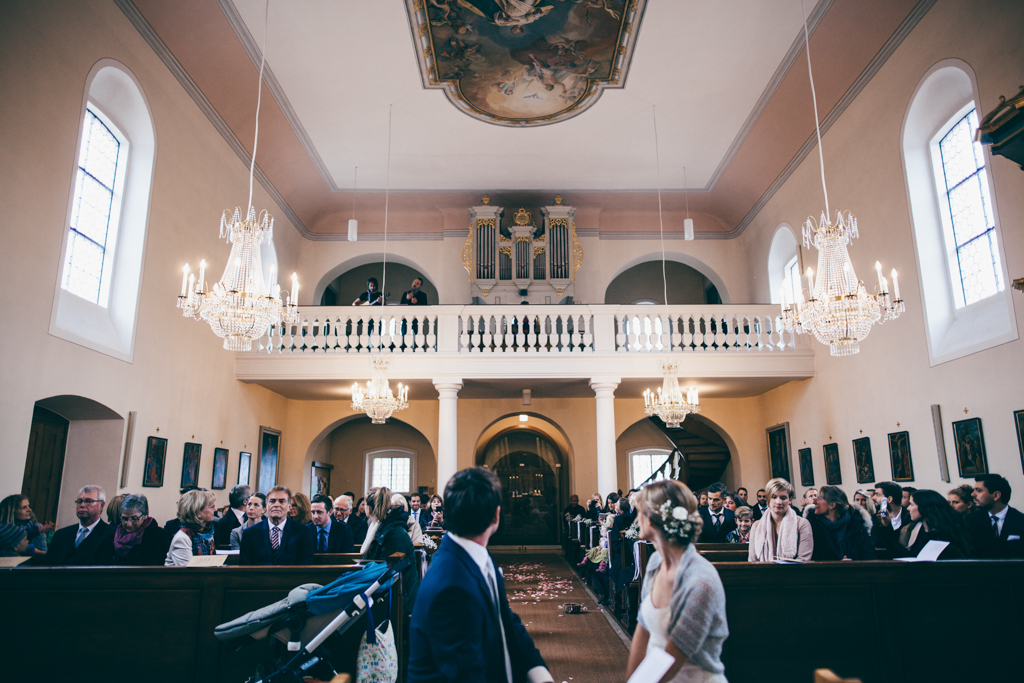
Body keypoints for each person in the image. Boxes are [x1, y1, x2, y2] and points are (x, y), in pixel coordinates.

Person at [409, 467, 553, 683]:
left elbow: (506, 620)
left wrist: (540, 674)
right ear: (496, 516)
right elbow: (467, 674)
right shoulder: (451, 587)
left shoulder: (476, 553)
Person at [627, 479, 728, 683]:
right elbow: (643, 627)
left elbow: (674, 656)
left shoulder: (701, 582)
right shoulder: (656, 562)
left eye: (640, 512)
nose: (636, 519)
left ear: (654, 520)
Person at [363, 487, 419, 616]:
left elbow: (389, 569)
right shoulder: (384, 527)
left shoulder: (393, 532)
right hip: (391, 592)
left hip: (401, 597)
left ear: (369, 508)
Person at [239, 486, 315, 565]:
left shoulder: (303, 532)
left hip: (291, 576)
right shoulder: (250, 533)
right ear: (267, 506)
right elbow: (245, 567)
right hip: (259, 577)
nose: (276, 505)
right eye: (272, 501)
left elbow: (305, 564)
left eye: (281, 501)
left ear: (289, 507)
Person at [748, 478, 813, 562]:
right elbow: (753, 560)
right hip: (763, 573)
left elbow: (803, 559)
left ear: (790, 500)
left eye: (783, 498)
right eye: (774, 497)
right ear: (768, 500)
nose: (778, 502)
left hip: (794, 573)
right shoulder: (756, 526)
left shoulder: (802, 524)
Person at [804, 486, 875, 561]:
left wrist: (853, 563)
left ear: (832, 505)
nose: (814, 501)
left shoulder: (856, 524)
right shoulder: (811, 525)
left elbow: (869, 556)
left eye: (819, 498)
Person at [46, 485, 109, 566]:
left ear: (101, 505)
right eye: (79, 501)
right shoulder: (61, 535)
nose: (82, 505)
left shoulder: (110, 535)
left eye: (88, 501)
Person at [97, 494, 169, 565]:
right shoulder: (112, 535)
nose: (128, 524)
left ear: (145, 516)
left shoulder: (159, 536)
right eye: (124, 519)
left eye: (134, 519)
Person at [966, 474, 1024, 559]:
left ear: (996, 495)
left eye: (978, 490)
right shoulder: (970, 519)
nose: (972, 494)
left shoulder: (1020, 520)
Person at [902, 489, 972, 559]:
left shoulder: (946, 533)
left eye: (911, 504)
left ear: (924, 507)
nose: (908, 508)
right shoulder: (915, 529)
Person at [165, 489, 217, 566]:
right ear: (198, 511)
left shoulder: (206, 532)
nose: (215, 510)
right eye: (211, 507)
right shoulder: (182, 538)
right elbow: (188, 573)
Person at [872, 481, 913, 553]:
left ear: (889, 499)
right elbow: (878, 544)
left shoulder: (910, 516)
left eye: (877, 495)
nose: (873, 498)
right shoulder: (875, 519)